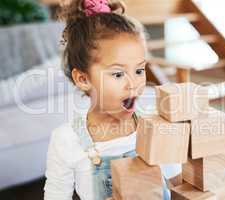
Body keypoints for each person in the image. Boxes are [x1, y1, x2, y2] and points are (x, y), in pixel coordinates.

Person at [43, 0, 180, 199]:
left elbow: (178, 181)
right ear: (83, 79)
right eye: (118, 74)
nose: (133, 83)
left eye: (139, 70)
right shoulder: (67, 140)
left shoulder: (152, 127)